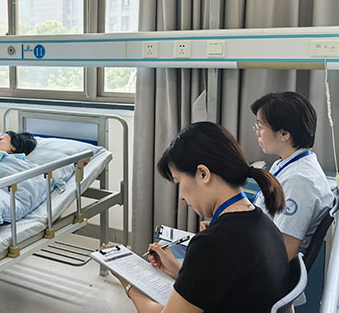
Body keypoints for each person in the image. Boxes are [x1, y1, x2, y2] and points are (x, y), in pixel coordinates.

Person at [114, 122, 289, 313]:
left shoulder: (214, 243)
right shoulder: (263, 223)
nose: (181, 196)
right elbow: (226, 287)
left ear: (203, 174)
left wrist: (129, 283)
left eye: (179, 182)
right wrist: (181, 273)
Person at [251, 91, 335, 260]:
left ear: (284, 134)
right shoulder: (288, 163)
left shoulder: (299, 181)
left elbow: (283, 252)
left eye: (260, 127)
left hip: (262, 267)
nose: (257, 132)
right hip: (256, 247)